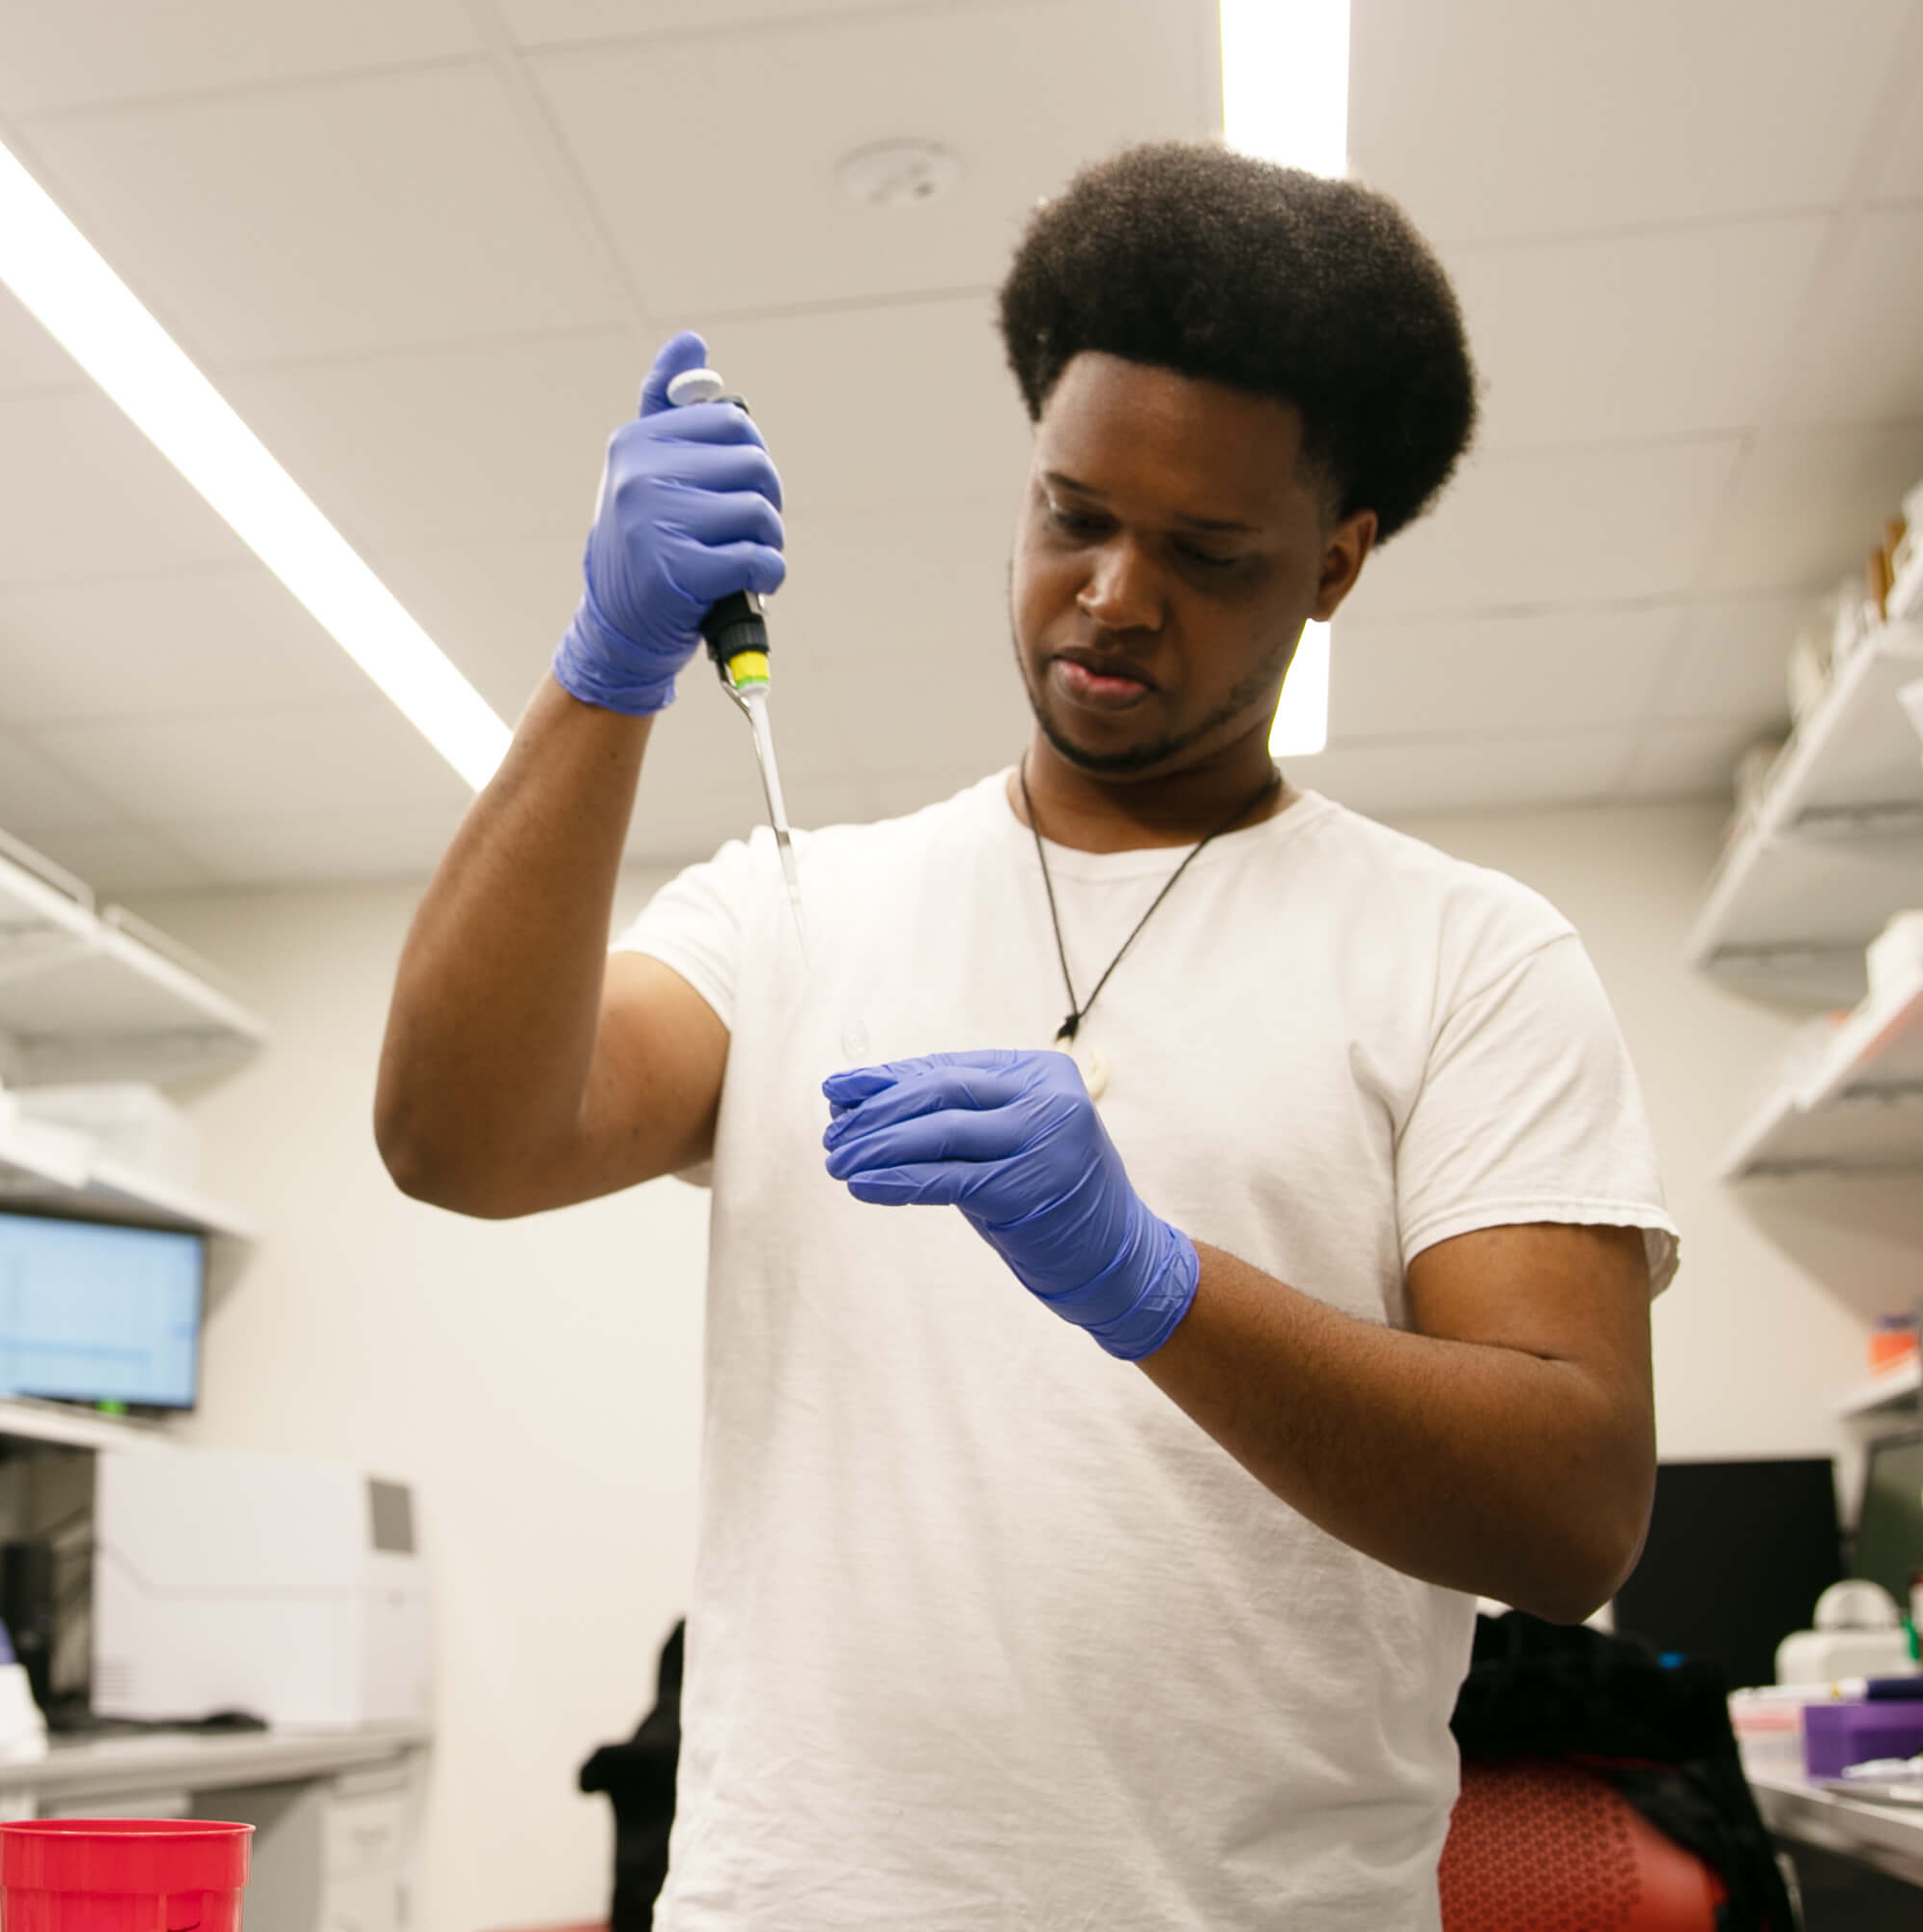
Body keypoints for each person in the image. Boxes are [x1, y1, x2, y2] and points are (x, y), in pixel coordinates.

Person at [376, 143, 1675, 1928]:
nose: (1116, 593)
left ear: (1336, 565)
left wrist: (1151, 1280)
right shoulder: (791, 905)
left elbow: (1572, 1512)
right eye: (1076, 514)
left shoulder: (1467, 957)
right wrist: (603, 668)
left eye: (1209, 551)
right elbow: (458, 1139)